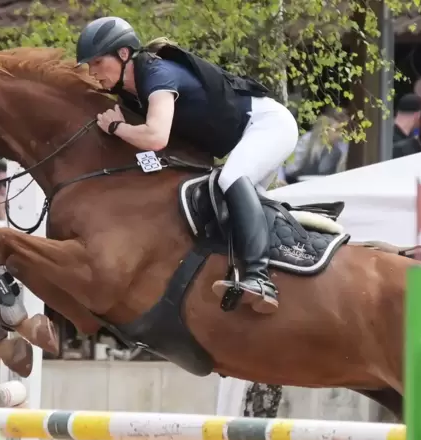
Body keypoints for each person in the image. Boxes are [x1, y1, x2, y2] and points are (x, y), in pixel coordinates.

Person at [75, 17, 299, 314]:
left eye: (97, 62)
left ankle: (259, 279)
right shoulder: (132, 93)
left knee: (230, 178)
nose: (92, 72)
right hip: (249, 134)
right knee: (231, 205)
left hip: (268, 124)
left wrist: (117, 128)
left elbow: (155, 137)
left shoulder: (157, 73)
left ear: (124, 54)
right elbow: (157, 150)